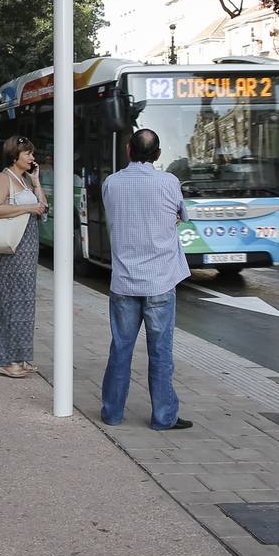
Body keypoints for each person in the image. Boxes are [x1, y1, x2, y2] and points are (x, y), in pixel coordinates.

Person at [99, 128, 192, 431]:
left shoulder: (111, 183)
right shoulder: (169, 182)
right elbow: (182, 215)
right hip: (160, 282)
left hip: (124, 282)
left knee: (120, 348)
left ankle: (112, 413)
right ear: (158, 154)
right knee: (161, 352)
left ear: (128, 150)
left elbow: (114, 217)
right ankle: (163, 417)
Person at [0, 136, 48, 378]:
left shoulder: (24, 180)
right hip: (11, 249)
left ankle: (21, 356)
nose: (32, 157)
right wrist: (28, 208)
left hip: (27, 248)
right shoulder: (4, 178)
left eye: (32, 153)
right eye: (27, 153)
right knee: (9, 302)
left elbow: (43, 207)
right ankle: (4, 359)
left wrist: (37, 183)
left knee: (24, 303)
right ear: (15, 156)